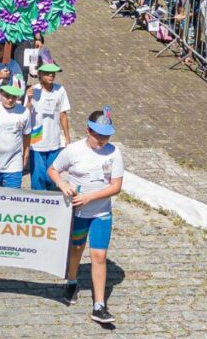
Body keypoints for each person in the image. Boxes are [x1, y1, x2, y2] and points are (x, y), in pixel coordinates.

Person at [48, 108, 123, 325]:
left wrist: (90, 197)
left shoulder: (114, 153)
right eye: (98, 135)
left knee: (99, 257)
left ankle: (99, 305)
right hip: (78, 213)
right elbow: (53, 170)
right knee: (77, 249)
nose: (102, 140)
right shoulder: (73, 151)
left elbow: (116, 186)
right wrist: (62, 183)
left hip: (101, 213)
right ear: (87, 130)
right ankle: (72, 281)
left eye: (106, 135)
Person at [26, 63, 71, 191]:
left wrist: (67, 137)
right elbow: (25, 114)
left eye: (53, 73)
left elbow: (63, 114)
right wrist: (29, 99)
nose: (51, 75)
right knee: (38, 176)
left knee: (51, 175)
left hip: (54, 139)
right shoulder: (33, 91)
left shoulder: (60, 90)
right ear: (39, 74)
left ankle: (50, 201)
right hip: (37, 140)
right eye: (47, 73)